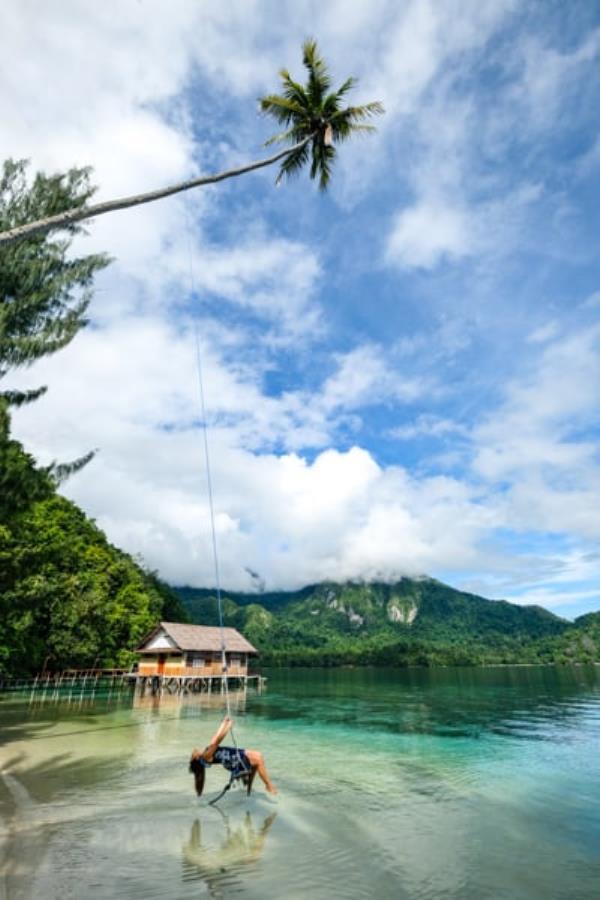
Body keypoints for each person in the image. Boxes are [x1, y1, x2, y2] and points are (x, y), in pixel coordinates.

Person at [189, 716, 278, 796]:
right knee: (258, 758)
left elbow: (216, 736)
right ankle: (268, 785)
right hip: (234, 760)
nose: (194, 751)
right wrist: (228, 727)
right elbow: (217, 742)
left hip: (233, 755)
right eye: (193, 754)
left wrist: (224, 723)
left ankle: (249, 792)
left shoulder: (206, 751)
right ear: (196, 758)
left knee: (256, 761)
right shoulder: (205, 757)